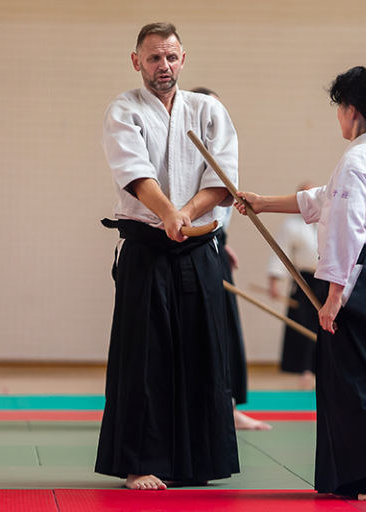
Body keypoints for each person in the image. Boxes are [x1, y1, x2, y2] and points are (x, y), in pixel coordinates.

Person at [235, 66, 366, 501]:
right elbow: (324, 199)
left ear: (351, 110)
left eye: (339, 107)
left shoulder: (358, 158)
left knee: (356, 376)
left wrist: (334, 295)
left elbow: (345, 227)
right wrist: (263, 203)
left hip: (362, 274)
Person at [95, 23, 240, 491]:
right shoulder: (124, 110)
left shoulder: (208, 110)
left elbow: (223, 179)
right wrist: (168, 214)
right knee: (145, 356)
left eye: (172, 57)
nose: (164, 66)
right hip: (147, 247)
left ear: (183, 58)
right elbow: (135, 174)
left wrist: (186, 214)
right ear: (136, 60)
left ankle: (200, 460)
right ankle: (139, 462)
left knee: (203, 351)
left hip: (197, 246)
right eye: (155, 57)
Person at [192, 86, 271, 431]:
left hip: (213, 245)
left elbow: (219, 211)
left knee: (226, 329)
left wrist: (222, 242)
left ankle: (229, 405)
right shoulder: (182, 153)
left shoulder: (221, 151)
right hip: (187, 243)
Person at [267, 182, 328, 390]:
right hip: (304, 281)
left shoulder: (329, 221)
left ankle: (323, 368)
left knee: (325, 324)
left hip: (327, 280)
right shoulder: (291, 225)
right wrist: (274, 282)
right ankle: (304, 369)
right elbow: (280, 253)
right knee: (304, 324)